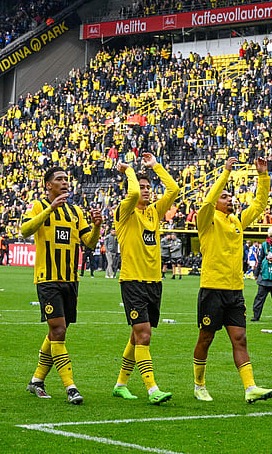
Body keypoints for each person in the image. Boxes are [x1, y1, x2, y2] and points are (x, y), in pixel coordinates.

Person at [192, 157, 272, 403]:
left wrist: (263, 176)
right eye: (225, 196)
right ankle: (199, 384)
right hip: (212, 289)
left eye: (231, 196)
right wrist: (225, 173)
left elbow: (259, 205)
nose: (230, 199)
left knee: (240, 338)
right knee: (206, 338)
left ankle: (250, 388)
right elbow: (207, 200)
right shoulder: (206, 220)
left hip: (234, 290)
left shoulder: (236, 221)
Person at [21, 166, 102, 405]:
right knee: (58, 330)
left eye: (66, 179)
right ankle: (70, 387)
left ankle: (37, 380)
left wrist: (97, 225)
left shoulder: (76, 212)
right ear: (48, 185)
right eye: (59, 179)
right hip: (48, 279)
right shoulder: (37, 206)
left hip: (70, 279)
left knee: (58, 330)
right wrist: (49, 209)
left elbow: (89, 242)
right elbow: (25, 230)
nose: (65, 182)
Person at [112, 153, 179, 405]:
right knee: (144, 334)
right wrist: (129, 172)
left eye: (149, 187)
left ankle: (120, 384)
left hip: (154, 281)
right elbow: (130, 195)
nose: (147, 191)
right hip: (132, 281)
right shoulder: (125, 211)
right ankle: (152, 389)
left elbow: (173, 189)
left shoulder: (153, 212)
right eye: (142, 187)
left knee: (136, 335)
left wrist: (155, 167)